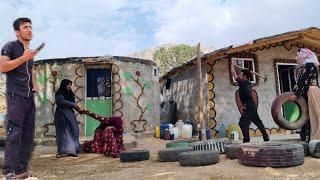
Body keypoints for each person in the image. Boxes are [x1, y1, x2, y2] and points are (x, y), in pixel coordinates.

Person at [0, 17, 41, 179]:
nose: (29, 30)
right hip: (15, 95)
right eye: (25, 27)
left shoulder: (29, 54)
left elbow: (30, 71)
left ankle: (21, 170)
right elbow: (2, 66)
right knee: (14, 132)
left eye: (30, 26)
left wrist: (35, 84)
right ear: (17, 32)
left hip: (29, 97)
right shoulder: (10, 47)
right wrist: (23, 58)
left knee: (28, 134)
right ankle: (9, 171)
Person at [231, 63, 269, 143]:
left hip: (249, 106)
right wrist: (246, 72)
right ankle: (266, 137)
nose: (240, 76)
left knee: (243, 122)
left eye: (241, 74)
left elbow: (233, 73)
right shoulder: (248, 83)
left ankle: (246, 140)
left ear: (244, 76)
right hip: (252, 105)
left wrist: (231, 63)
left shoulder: (243, 83)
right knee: (257, 121)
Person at [290, 48, 320, 141]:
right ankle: (307, 137)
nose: (297, 58)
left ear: (304, 56)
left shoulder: (309, 64)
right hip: (310, 90)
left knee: (312, 114)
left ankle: (311, 137)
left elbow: (303, 80)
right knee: (309, 114)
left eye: (298, 55)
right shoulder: (307, 65)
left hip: (311, 91)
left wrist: (296, 93)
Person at [55, 79, 81, 158]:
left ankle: (73, 150)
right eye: (68, 84)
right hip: (61, 115)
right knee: (63, 133)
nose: (69, 86)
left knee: (74, 130)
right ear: (64, 85)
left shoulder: (70, 93)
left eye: (70, 84)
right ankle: (61, 151)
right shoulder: (59, 93)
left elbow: (73, 104)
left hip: (70, 114)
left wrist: (79, 109)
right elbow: (61, 102)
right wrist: (74, 105)